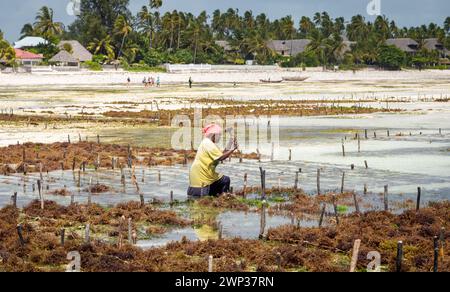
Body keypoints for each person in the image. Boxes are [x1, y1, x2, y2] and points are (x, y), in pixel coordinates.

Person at [188, 124, 238, 198]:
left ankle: (220, 198)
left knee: (225, 179)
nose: (220, 137)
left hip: (201, 177)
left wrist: (230, 142)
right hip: (202, 178)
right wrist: (233, 149)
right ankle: (223, 199)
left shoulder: (207, 142)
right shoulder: (208, 144)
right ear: (213, 135)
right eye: (219, 135)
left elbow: (221, 154)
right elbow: (220, 158)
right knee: (225, 180)